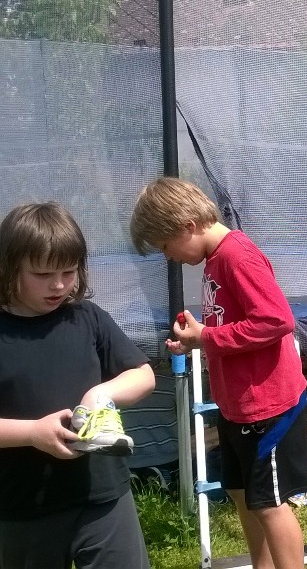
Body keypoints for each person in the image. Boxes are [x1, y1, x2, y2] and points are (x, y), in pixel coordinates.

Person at [131, 177, 307, 569]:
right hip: (237, 408)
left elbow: (276, 320)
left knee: (270, 505)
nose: (168, 257)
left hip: (267, 408)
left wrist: (207, 336)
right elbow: (232, 328)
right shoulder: (216, 259)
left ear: (187, 226)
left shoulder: (236, 256)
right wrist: (195, 341)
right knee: (243, 495)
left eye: (165, 246)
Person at [0, 202, 156, 568]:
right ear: (8, 267)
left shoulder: (87, 318)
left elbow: (143, 375)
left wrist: (100, 393)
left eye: (69, 272)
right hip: (22, 507)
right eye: (42, 273)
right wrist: (32, 433)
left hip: (103, 497)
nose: (58, 285)